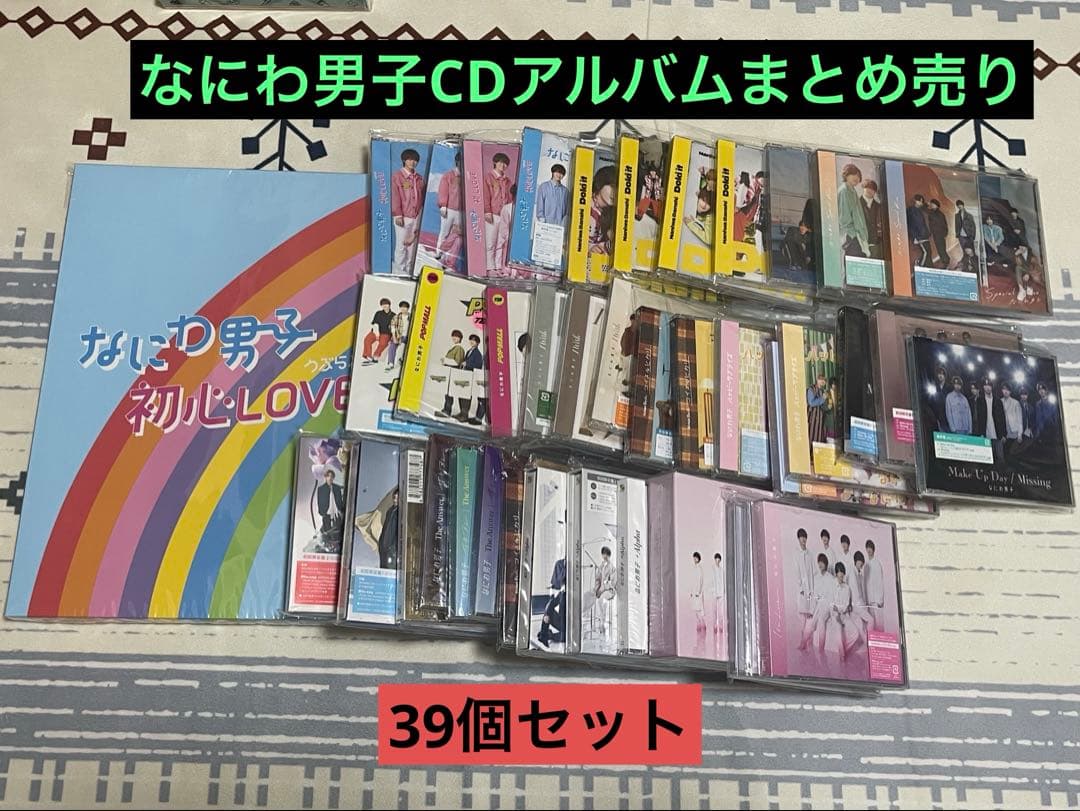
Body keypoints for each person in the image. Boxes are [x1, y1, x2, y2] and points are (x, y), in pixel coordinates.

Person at [391, 148, 425, 275]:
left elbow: (422, 198)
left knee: (412, 247)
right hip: (402, 216)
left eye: (415, 160)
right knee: (401, 246)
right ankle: (399, 272)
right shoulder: (397, 176)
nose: (413, 162)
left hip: (416, 216)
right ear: (404, 160)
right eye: (410, 159)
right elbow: (395, 196)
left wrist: (420, 216)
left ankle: (409, 271)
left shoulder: (419, 178)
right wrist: (398, 214)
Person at [483, 152, 513, 272]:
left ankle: (498, 267)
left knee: (501, 243)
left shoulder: (508, 181)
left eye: (505, 163)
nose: (503, 165)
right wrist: (487, 211)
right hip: (493, 215)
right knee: (490, 242)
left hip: (504, 216)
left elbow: (510, 198)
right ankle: (489, 267)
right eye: (500, 162)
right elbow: (485, 195)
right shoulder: (488, 177)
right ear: (495, 162)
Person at [798, 553, 833, 651]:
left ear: (826, 564)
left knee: (821, 619)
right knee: (810, 620)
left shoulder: (830, 578)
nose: (821, 564)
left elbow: (832, 595)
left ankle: (821, 648)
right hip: (818, 604)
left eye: (823, 562)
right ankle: (803, 643)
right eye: (819, 562)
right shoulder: (816, 577)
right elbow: (814, 596)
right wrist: (811, 611)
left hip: (827, 604)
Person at [435, 151, 462, 267]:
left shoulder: (468, 177)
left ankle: (448, 259)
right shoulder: (449, 175)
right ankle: (439, 254)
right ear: (457, 161)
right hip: (449, 210)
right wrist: (443, 205)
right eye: (461, 160)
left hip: (461, 212)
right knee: (444, 233)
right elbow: (443, 190)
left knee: (455, 236)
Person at [838, 163, 870, 258]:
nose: (857, 178)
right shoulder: (844, 191)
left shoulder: (852, 190)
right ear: (846, 174)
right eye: (853, 174)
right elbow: (843, 218)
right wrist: (854, 235)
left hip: (857, 237)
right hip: (852, 236)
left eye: (858, 176)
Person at [974, 377, 1006, 465]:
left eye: (989, 386)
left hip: (997, 433)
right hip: (985, 433)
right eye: (985, 385)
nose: (988, 388)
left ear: (992, 387)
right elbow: (978, 418)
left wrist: (1004, 434)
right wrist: (980, 433)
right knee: (988, 459)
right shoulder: (980, 401)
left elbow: (1002, 418)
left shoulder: (998, 401)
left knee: (1000, 458)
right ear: (983, 387)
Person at [435, 330, 467, 420]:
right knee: (447, 393)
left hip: (453, 373)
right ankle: (446, 410)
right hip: (449, 372)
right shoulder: (455, 347)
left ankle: (447, 411)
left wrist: (445, 360)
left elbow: (457, 362)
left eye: (456, 336)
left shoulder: (459, 348)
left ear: (460, 338)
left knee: (449, 393)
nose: (454, 338)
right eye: (453, 336)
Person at [536, 556, 567, 650]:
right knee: (549, 609)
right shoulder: (562, 592)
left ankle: (547, 635)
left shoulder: (571, 593)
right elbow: (552, 603)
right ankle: (544, 634)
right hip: (562, 622)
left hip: (569, 625)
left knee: (565, 637)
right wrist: (546, 614)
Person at [830, 563, 857, 661]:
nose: (841, 574)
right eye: (839, 572)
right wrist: (837, 613)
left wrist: (839, 609)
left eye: (842, 572)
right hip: (835, 614)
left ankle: (843, 650)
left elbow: (846, 605)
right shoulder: (832, 586)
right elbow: (831, 603)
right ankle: (842, 656)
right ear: (836, 574)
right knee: (838, 629)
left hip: (844, 614)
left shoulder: (847, 588)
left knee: (856, 633)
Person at [461, 334, 485, 425]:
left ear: (477, 343)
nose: (471, 342)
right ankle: (462, 413)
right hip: (465, 375)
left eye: (474, 341)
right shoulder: (469, 351)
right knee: (462, 394)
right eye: (470, 340)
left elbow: (478, 366)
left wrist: (467, 364)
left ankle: (464, 414)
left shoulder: (478, 354)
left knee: (467, 396)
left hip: (471, 376)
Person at [361, 298, 394, 364]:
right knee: (367, 339)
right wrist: (375, 333)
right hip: (376, 331)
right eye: (383, 304)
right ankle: (368, 356)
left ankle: (375, 357)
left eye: (386, 304)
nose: (384, 306)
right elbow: (374, 323)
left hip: (386, 333)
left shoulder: (393, 315)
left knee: (383, 343)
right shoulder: (378, 313)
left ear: (389, 305)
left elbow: (393, 328)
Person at [594, 546, 616, 641]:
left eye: (607, 554)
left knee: (602, 600)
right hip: (601, 590)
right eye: (603, 554)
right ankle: (600, 620)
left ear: (609, 555)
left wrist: (603, 588)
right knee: (597, 600)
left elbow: (612, 582)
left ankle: (602, 621)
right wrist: (596, 590)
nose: (605, 556)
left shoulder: (612, 567)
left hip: (609, 590)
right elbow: (597, 579)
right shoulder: (601, 566)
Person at [494, 183, 516, 274]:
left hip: (516, 241)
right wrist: (510, 238)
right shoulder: (507, 209)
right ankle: (499, 268)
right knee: (501, 244)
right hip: (507, 237)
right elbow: (503, 231)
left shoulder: (525, 209)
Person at [316, 468, 345, 536]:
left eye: (331, 476)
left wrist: (341, 509)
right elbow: (320, 501)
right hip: (326, 512)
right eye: (328, 476)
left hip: (336, 511)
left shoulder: (336, 488)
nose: (330, 478)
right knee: (327, 529)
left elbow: (339, 499)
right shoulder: (321, 489)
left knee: (338, 528)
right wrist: (322, 512)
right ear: (326, 477)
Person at [863, 539, 885, 632]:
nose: (869, 550)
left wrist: (880, 599)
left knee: (879, 623)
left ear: (873, 549)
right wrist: (866, 599)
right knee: (871, 623)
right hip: (869, 600)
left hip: (876, 600)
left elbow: (880, 582)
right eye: (867, 548)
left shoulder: (877, 563)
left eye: (870, 548)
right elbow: (865, 582)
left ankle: (881, 639)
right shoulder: (866, 565)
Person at [861, 179, 884, 260]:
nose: (870, 190)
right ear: (863, 188)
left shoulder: (879, 206)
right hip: (859, 242)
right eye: (867, 187)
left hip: (875, 243)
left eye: (873, 189)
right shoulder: (856, 204)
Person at [794, 528, 815, 617]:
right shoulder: (796, 554)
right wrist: (800, 588)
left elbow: (813, 571)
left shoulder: (810, 554)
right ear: (798, 539)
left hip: (810, 586)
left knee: (811, 612)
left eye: (804, 537)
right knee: (803, 612)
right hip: (802, 587)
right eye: (801, 537)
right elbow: (796, 572)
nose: (803, 539)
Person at [906, 194, 931, 267]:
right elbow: (910, 225)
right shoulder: (911, 210)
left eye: (922, 202)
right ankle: (920, 266)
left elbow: (924, 206)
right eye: (920, 201)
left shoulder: (918, 210)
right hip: (919, 236)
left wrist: (926, 204)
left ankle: (921, 264)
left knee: (928, 252)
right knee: (926, 252)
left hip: (923, 235)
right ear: (916, 201)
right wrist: (914, 237)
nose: (921, 203)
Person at [385, 300, 411, 370]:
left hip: (408, 337)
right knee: (392, 346)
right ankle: (391, 363)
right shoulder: (396, 317)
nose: (403, 309)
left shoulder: (411, 317)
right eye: (402, 307)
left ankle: (402, 360)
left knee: (403, 348)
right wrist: (394, 337)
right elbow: (392, 327)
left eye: (405, 307)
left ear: (408, 308)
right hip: (398, 336)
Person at [377, 490, 399, 568]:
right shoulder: (390, 510)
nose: (395, 500)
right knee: (383, 567)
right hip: (384, 546)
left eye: (397, 498)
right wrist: (381, 542)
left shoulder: (402, 512)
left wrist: (394, 547)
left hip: (393, 549)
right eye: (394, 498)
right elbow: (385, 528)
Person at [925, 199, 950, 268]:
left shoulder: (939, 214)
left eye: (933, 204)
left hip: (939, 234)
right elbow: (925, 209)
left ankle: (946, 262)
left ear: (937, 205)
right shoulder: (933, 212)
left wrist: (944, 234)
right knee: (940, 249)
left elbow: (944, 225)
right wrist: (927, 204)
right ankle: (946, 260)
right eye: (931, 204)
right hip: (936, 234)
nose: (931, 205)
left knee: (941, 249)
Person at [806, 373, 828, 446]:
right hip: (812, 419)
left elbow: (823, 406)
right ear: (817, 380)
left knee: (819, 438)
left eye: (824, 380)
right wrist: (822, 398)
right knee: (811, 437)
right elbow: (811, 403)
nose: (823, 381)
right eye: (821, 379)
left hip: (820, 420)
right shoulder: (811, 389)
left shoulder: (823, 391)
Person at [1000, 382, 1023, 449]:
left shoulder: (1016, 403)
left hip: (1014, 432)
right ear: (1002, 390)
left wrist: (1019, 434)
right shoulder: (999, 401)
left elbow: (1020, 419)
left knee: (1013, 452)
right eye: (1004, 389)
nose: (1006, 391)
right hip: (1003, 432)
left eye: (1008, 390)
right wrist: (1001, 434)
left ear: (1010, 391)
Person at [753, 171, 768, 256]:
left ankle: (764, 254)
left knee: (765, 241)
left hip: (764, 219)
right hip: (758, 219)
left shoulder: (766, 191)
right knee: (758, 238)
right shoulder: (756, 190)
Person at [712, 552, 724, 642]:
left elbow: (722, 581)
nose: (717, 561)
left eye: (718, 560)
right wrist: (713, 591)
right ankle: (715, 626)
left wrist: (723, 591)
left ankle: (720, 626)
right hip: (714, 593)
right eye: (716, 559)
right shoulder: (712, 569)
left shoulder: (721, 570)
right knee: (714, 610)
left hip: (720, 593)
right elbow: (712, 581)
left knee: (720, 611)